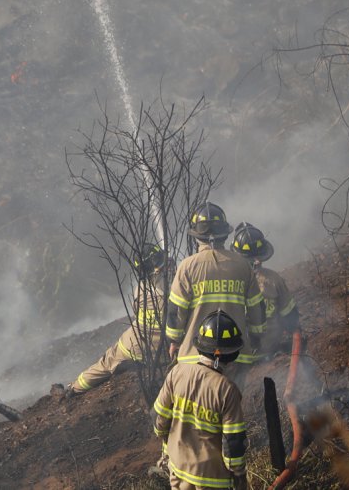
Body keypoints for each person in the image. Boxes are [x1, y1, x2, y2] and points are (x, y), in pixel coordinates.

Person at [153, 310, 249, 490]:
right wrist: (240, 476)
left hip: (179, 471)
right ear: (229, 354)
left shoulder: (177, 372)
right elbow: (233, 443)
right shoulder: (227, 390)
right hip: (212, 479)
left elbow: (159, 420)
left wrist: (168, 449)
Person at [165, 203, 266, 369]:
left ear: (196, 236)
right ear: (225, 235)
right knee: (229, 395)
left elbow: (176, 311)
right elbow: (257, 308)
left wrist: (174, 340)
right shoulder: (243, 265)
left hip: (194, 358)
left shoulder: (187, 267)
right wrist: (256, 338)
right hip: (236, 356)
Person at [64, 245, 167, 396]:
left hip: (135, 346)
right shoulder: (177, 285)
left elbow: (137, 312)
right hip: (165, 351)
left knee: (106, 362)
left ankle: (74, 388)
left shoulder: (140, 290)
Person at [229, 222, 300, 357]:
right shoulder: (273, 279)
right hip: (268, 350)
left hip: (238, 355)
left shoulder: (229, 281)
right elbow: (291, 317)